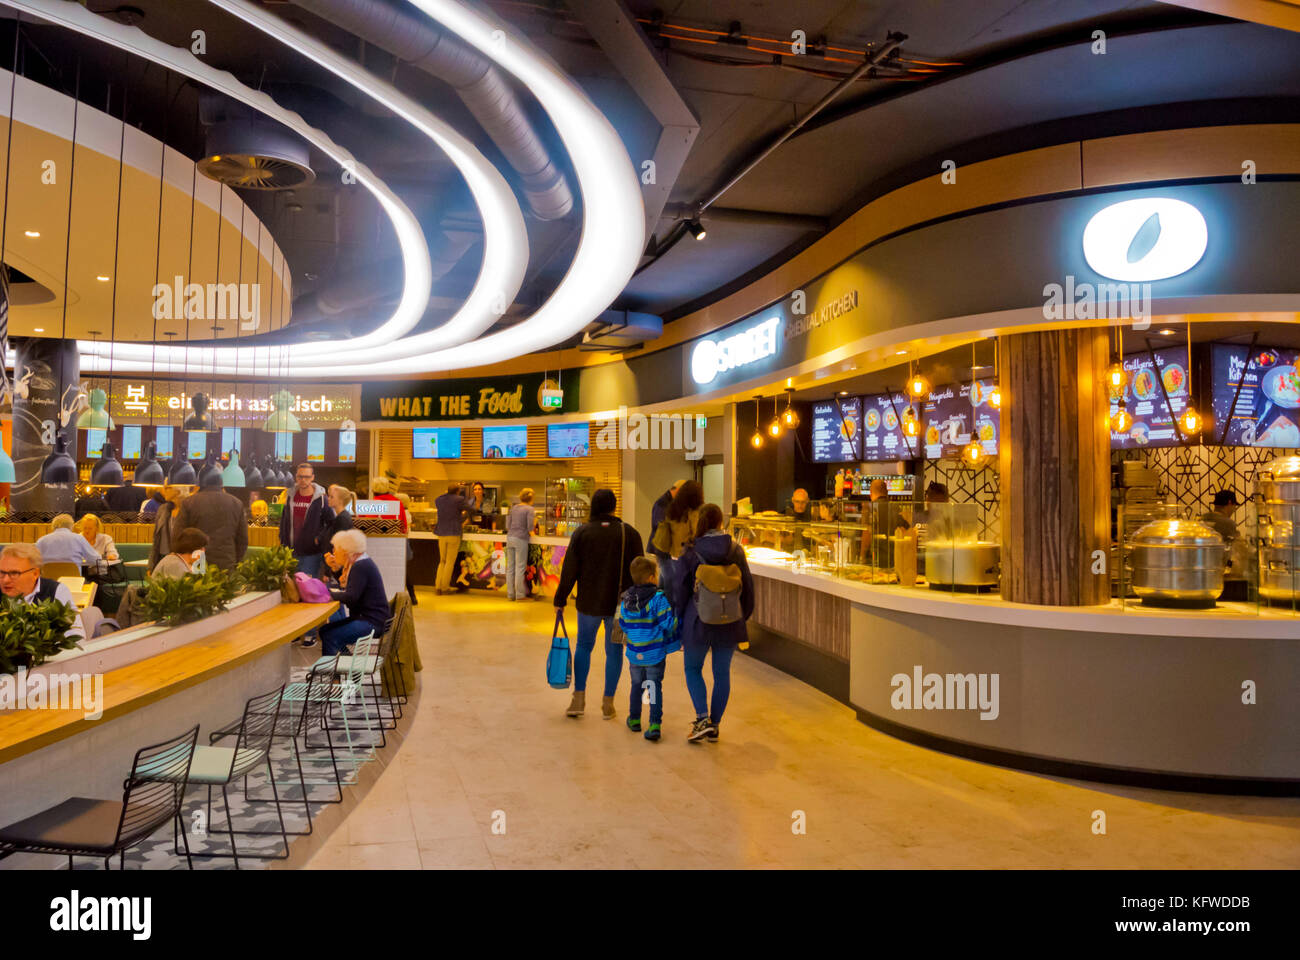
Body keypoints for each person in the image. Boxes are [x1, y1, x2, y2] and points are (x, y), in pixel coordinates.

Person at [554, 488, 644, 720]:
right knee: (614, 650)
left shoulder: (583, 532)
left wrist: (560, 597)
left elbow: (570, 568)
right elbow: (640, 572)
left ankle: (578, 699)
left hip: (588, 604)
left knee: (584, 647)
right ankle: (608, 704)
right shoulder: (630, 534)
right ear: (614, 506)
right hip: (620, 607)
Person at [674, 503, 754, 743]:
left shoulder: (691, 550)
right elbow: (748, 588)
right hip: (729, 621)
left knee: (692, 668)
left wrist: (679, 620)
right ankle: (715, 725)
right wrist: (742, 616)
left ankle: (702, 719)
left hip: (697, 619)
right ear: (721, 523)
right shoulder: (736, 550)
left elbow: (679, 590)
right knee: (722, 673)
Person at [617, 554, 679, 742]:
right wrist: (678, 620)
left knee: (636, 685)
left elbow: (624, 624)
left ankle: (634, 719)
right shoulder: (658, 599)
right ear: (652, 577)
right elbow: (668, 624)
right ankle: (654, 724)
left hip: (635, 654)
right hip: (655, 653)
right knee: (653, 687)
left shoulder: (626, 600)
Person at [319, 529, 391, 656]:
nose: (334, 553)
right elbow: (352, 589)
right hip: (371, 618)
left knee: (330, 636)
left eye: (336, 549)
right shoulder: (361, 563)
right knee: (325, 631)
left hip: (371, 622)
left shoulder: (360, 566)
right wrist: (335, 569)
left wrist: (327, 595)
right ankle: (346, 663)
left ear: (346, 551)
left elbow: (351, 597)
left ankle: (334, 673)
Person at [0, 543, 85, 641]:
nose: (5, 580)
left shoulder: (56, 591)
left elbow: (76, 637)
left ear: (35, 573)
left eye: (14, 573)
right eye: (2, 572)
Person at [171, 471, 248, 571]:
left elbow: (177, 536)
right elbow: (242, 540)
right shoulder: (237, 503)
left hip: (196, 563)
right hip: (226, 563)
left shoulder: (189, 503)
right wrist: (235, 561)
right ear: (222, 484)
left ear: (200, 483)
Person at [651, 479, 703, 605]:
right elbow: (691, 536)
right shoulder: (694, 512)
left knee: (668, 584)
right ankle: (673, 614)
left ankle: (664, 611)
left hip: (672, 553)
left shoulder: (673, 510)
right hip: (683, 556)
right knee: (677, 588)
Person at [279, 463, 333, 577]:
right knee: (292, 589)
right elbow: (284, 520)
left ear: (312, 477)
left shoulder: (322, 499)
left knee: (307, 589)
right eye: (300, 476)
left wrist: (318, 538)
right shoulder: (290, 496)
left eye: (307, 477)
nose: (303, 480)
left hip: (311, 554)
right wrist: (283, 540)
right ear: (296, 477)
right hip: (291, 552)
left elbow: (331, 523)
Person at [433, 481, 468, 595]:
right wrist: (462, 517)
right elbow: (470, 510)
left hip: (441, 533)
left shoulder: (439, 499)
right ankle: (445, 587)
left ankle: (438, 587)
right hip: (453, 533)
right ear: (458, 491)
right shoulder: (459, 499)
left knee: (442, 561)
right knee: (449, 562)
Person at [504, 488, 536, 601]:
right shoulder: (530, 509)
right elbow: (530, 527)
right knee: (520, 567)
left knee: (510, 568)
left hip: (510, 538)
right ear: (531, 498)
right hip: (521, 538)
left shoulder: (513, 508)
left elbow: (507, 525)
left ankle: (510, 595)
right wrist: (533, 533)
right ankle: (520, 595)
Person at [35, 514, 103, 567]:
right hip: (74, 581)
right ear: (71, 526)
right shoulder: (79, 539)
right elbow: (95, 560)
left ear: (53, 526)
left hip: (48, 581)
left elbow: (33, 561)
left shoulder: (42, 540)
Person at [147, 485, 184, 573]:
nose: (163, 490)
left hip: (182, 560)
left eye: (167, 487)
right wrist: (151, 566)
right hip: (162, 558)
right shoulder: (163, 509)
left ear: (178, 490)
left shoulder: (188, 509)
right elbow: (156, 540)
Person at [648, 479, 685, 547]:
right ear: (678, 490)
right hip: (660, 545)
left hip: (663, 544)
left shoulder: (671, 502)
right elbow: (659, 524)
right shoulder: (662, 503)